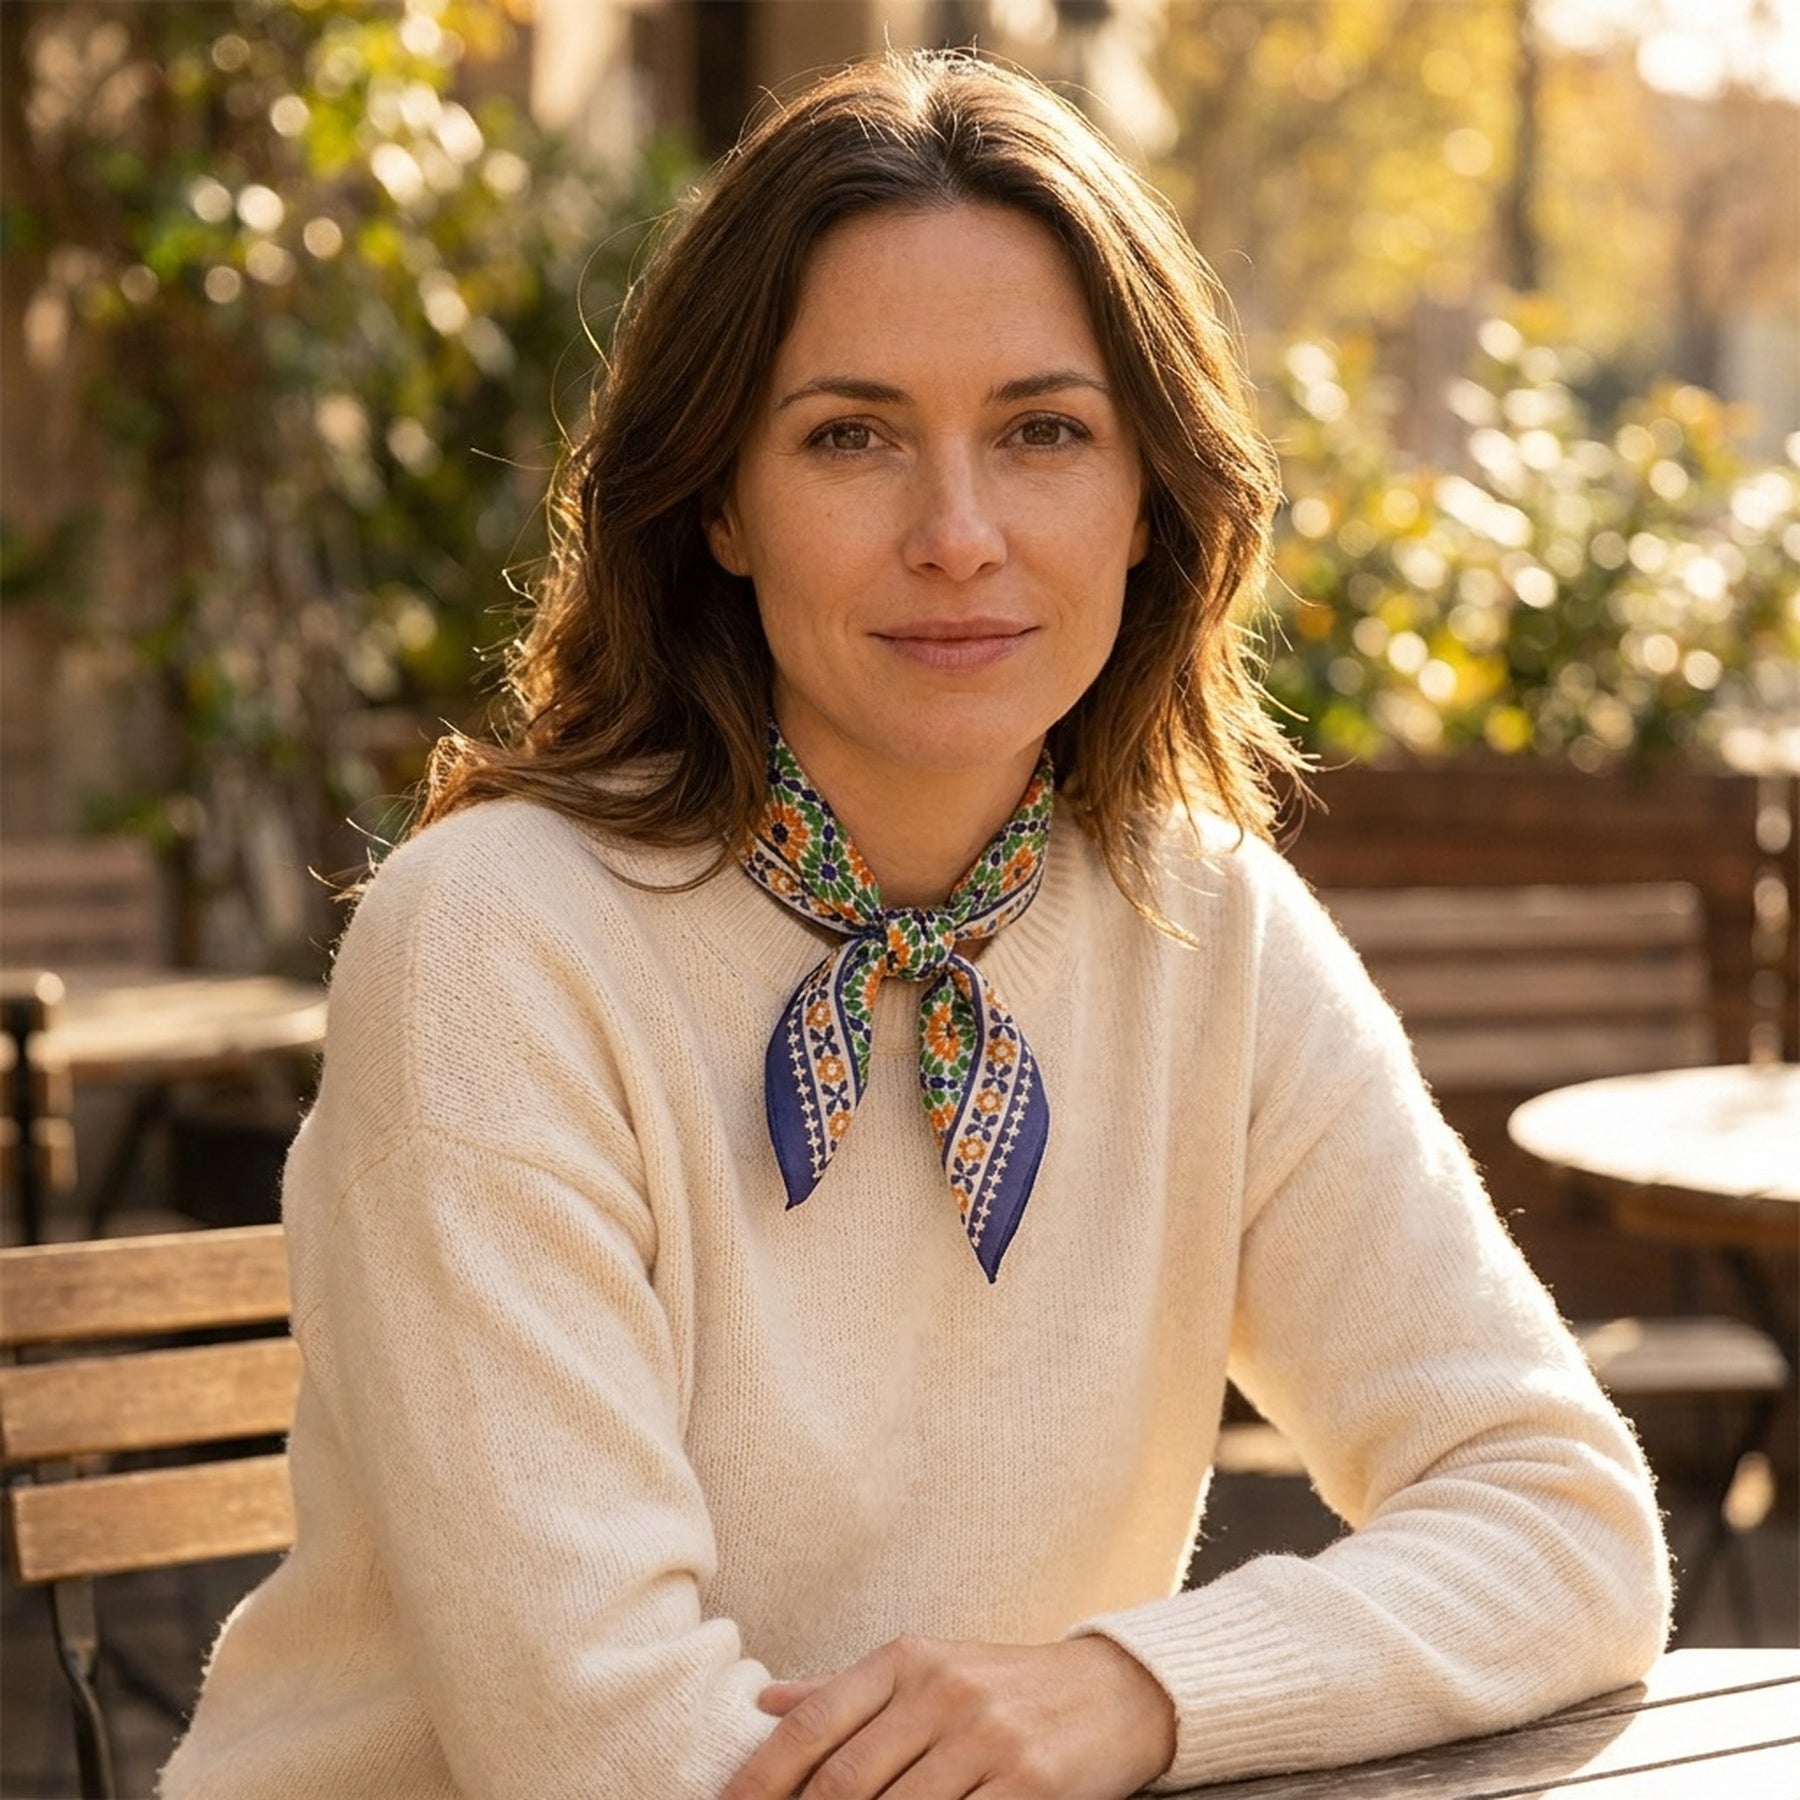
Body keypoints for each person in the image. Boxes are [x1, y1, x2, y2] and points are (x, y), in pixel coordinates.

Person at [161, 48, 1668, 1800]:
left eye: (1043, 432)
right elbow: (609, 1747)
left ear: (1146, 498)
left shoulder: (1205, 930)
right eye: (851, 437)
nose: (959, 537)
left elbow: (1561, 1520)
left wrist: (1131, 1691)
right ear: (716, 498)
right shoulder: (495, 948)